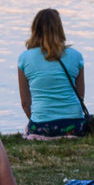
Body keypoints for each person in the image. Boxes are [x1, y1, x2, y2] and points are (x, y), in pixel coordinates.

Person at [18, 7, 87, 138]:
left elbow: (25, 103)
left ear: (35, 30)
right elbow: (80, 97)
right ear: (59, 29)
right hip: (75, 125)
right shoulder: (77, 56)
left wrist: (38, 119)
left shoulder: (24, 58)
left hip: (41, 126)